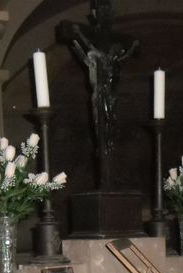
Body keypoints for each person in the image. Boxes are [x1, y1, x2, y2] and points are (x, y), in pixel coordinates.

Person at [58, 0, 138, 188]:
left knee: (111, 135)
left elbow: (125, 57)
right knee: (101, 134)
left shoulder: (113, 60)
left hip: (111, 96)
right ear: (94, 14)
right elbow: (86, 48)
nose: (106, 14)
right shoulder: (94, 57)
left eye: (108, 11)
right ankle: (104, 170)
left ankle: (109, 167)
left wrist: (133, 47)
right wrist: (78, 35)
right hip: (99, 96)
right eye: (102, 10)